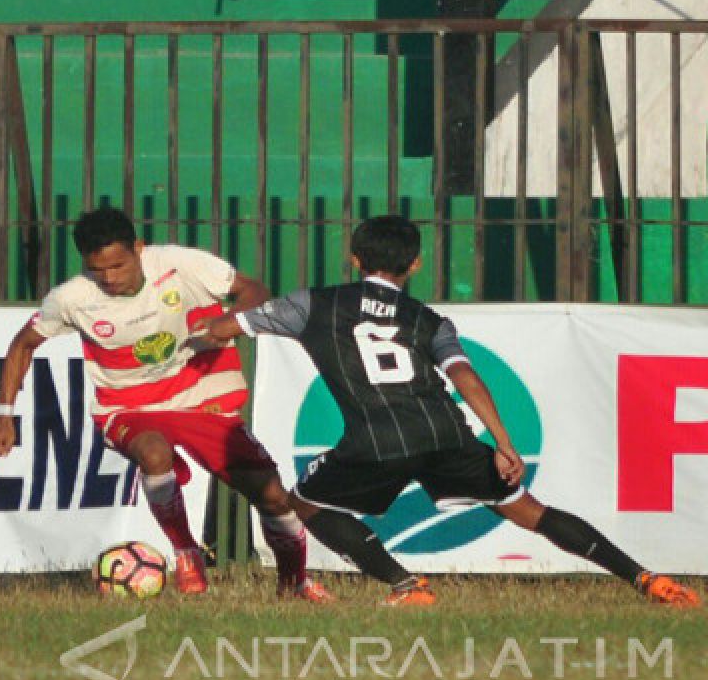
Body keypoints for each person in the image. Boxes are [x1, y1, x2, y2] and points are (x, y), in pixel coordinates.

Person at [199, 214, 700, 607]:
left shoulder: (314, 304)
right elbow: (465, 377)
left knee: (304, 504)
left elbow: (224, 330)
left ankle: (405, 585)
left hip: (376, 440)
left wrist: (197, 332)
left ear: (354, 259)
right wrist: (503, 443)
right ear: (414, 265)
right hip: (447, 434)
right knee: (530, 511)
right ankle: (645, 578)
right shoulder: (428, 319)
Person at [0, 206, 331, 601]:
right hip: (127, 407)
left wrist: (230, 321)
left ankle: (293, 583)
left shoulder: (181, 265)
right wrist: (4, 416)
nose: (109, 278)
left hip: (201, 397)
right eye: (98, 270)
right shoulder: (72, 298)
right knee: (154, 454)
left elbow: (255, 290)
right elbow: (23, 345)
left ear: (139, 248)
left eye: (118, 265)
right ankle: (186, 551)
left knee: (271, 495)